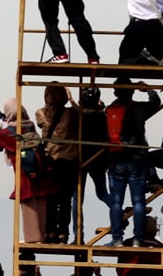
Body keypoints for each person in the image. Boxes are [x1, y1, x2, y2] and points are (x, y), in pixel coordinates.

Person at [106, 78, 160, 247]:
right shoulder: (139, 108)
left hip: (116, 161)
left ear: (115, 92)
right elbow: (156, 102)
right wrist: (148, 89)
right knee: (138, 202)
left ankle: (117, 238)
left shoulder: (109, 110)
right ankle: (138, 239)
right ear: (132, 91)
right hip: (137, 160)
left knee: (116, 202)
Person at [0, 98, 52, 243]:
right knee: (41, 201)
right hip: (39, 170)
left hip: (24, 173)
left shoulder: (8, 132)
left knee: (28, 203)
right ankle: (42, 235)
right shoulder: (30, 126)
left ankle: (33, 238)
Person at [35, 84, 81, 244]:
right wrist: (72, 100)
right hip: (70, 160)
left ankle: (50, 232)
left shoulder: (40, 113)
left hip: (51, 160)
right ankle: (63, 233)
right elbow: (83, 115)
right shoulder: (72, 114)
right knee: (66, 200)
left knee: (51, 199)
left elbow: (44, 128)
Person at [70, 87, 112, 244]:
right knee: (102, 193)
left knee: (77, 199)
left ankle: (78, 235)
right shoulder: (102, 114)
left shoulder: (80, 114)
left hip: (81, 158)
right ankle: (118, 212)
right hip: (98, 157)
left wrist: (72, 102)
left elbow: (83, 113)